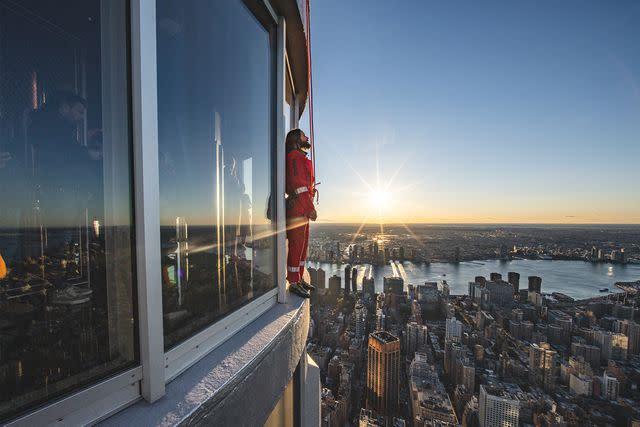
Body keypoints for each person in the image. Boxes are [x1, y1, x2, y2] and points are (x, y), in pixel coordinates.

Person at [285, 129, 317, 298]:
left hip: (302, 206)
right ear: (297, 139)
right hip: (298, 206)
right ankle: (293, 281)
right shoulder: (294, 158)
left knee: (303, 245)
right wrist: (309, 207)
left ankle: (299, 277)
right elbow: (299, 185)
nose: (307, 137)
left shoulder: (299, 157)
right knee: (297, 245)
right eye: (304, 135)